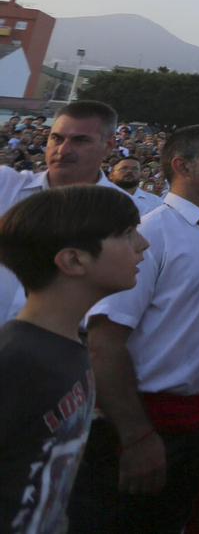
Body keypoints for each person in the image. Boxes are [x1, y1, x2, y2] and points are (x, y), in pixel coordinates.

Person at [69, 126, 199, 534]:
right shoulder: (150, 234)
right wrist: (136, 437)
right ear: (182, 166)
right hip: (145, 421)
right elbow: (104, 341)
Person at [0, 185, 144, 534]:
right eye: (126, 234)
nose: (143, 244)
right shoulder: (15, 362)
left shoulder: (71, 347)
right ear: (74, 261)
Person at [0, 101, 140, 322]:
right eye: (56, 138)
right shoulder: (5, 185)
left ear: (108, 145)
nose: (63, 150)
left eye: (80, 140)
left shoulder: (133, 212)